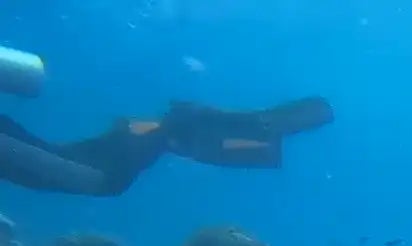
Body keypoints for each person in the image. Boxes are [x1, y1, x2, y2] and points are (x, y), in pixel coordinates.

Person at [0, 44, 332, 196]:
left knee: (100, 176)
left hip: (104, 168)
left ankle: (244, 131)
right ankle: (249, 133)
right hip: (108, 157)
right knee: (98, 170)